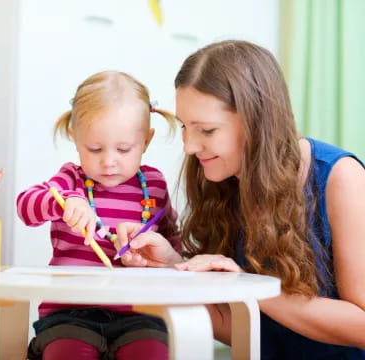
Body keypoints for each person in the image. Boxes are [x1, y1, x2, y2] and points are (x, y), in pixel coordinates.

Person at [115, 40, 365, 359]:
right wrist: (174, 269)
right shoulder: (221, 178)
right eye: (185, 127)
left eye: (206, 130)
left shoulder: (340, 177)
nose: (190, 146)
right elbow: (247, 330)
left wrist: (248, 287)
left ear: (257, 121)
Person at [16, 70, 180, 360]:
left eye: (124, 149)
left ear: (147, 140)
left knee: (151, 352)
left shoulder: (153, 185)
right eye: (94, 148)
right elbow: (25, 206)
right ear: (74, 137)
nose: (108, 161)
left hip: (140, 313)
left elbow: (172, 247)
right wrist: (64, 203)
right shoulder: (71, 179)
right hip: (70, 313)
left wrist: (161, 262)